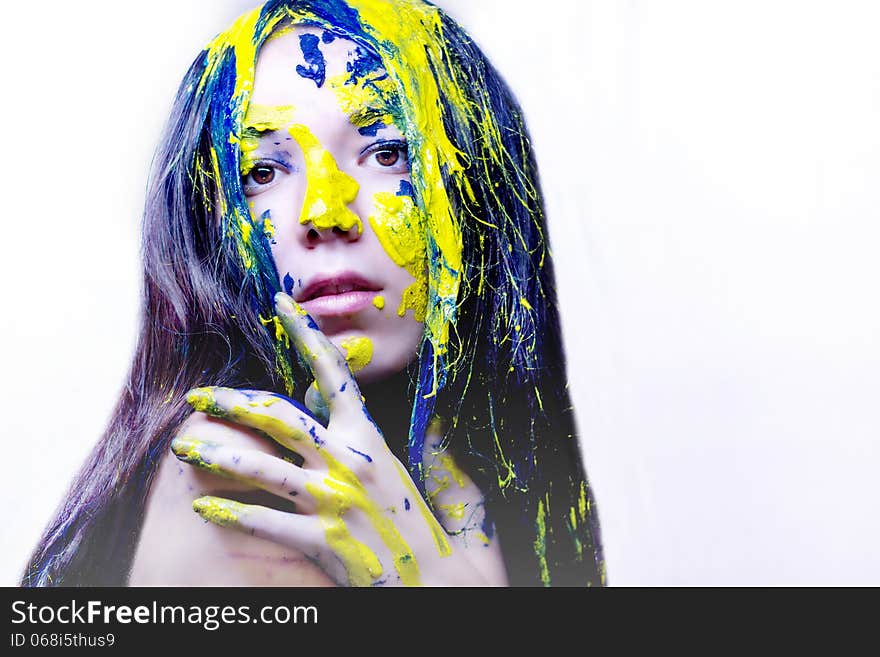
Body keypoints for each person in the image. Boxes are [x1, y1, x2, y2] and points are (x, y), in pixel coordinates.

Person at [22, 0, 604, 587]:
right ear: (210, 222)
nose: (323, 211)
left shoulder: (465, 466)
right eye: (263, 171)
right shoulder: (236, 468)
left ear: (480, 193)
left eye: (387, 152)